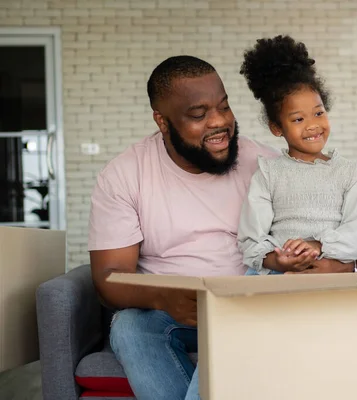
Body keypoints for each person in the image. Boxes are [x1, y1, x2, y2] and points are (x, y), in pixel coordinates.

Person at [89, 55, 282, 400]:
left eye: (224, 107)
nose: (219, 122)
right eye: (198, 115)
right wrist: (163, 296)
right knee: (130, 327)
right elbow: (109, 278)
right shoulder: (124, 174)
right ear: (162, 121)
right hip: (174, 313)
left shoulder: (264, 164)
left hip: (249, 307)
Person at [237, 35, 357, 275]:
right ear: (277, 127)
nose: (313, 125)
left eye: (318, 113)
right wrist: (278, 260)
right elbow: (251, 239)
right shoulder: (269, 174)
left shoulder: (349, 174)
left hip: (332, 270)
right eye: (298, 119)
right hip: (279, 274)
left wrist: (318, 246)